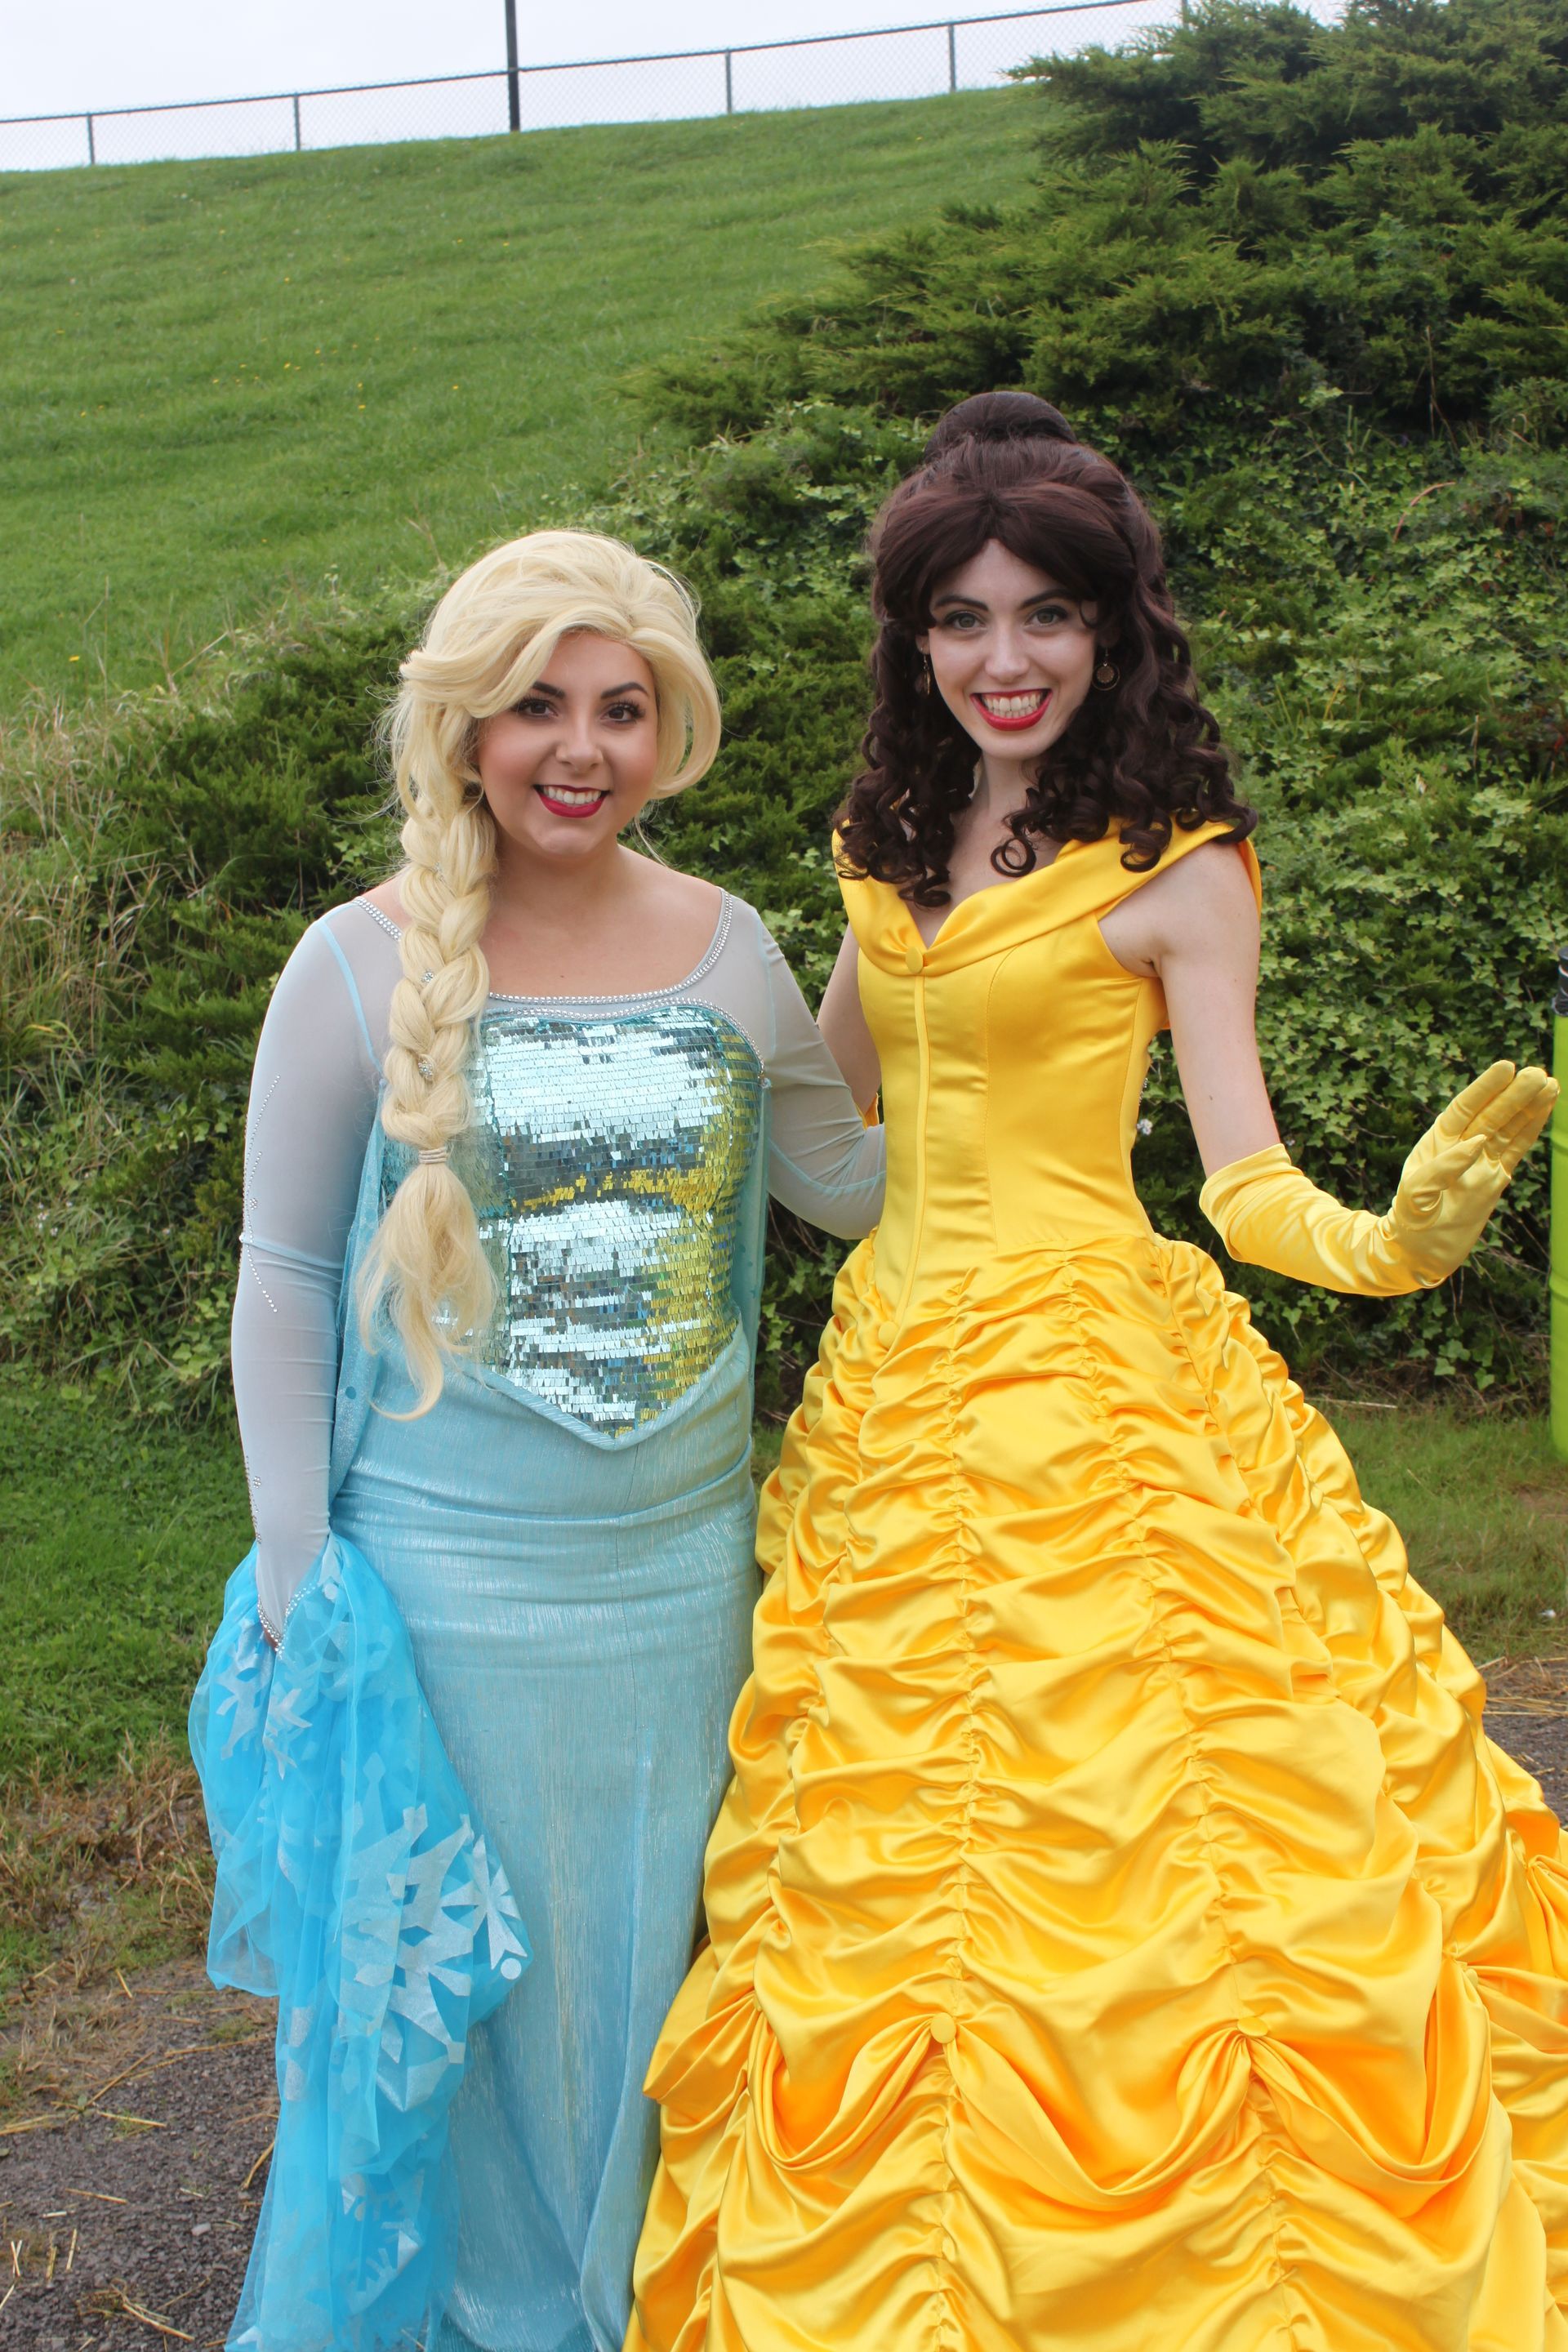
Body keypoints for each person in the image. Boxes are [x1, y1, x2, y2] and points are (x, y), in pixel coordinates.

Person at [625, 396, 1567, 2352]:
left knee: (1172, 1822)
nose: (1003, 658)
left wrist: (1393, 1247)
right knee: (899, 1837)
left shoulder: (1177, 867)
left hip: (1098, 1395)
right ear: (914, 645)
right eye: (961, 620)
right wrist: (612, 1080)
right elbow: (826, 1129)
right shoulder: (889, 840)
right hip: (897, 1387)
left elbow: (1240, 1188)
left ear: (1114, 629)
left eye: (1045, 615)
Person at [188, 529, 885, 2352]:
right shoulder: (352, 965)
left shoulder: (730, 949)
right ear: (465, 727)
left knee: (657, 2001)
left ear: (671, 733)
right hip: (443, 1598)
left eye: (621, 709)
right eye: (536, 708)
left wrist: (911, 959)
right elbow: (273, 1284)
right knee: (460, 2016)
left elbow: (855, 1188)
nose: (579, 749)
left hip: (678, 1602)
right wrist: (290, 1566)